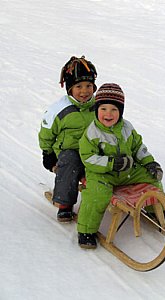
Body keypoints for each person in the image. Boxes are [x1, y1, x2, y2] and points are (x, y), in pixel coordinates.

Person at [77, 83, 164, 249]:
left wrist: (149, 162)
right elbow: (88, 158)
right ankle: (86, 230)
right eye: (103, 109)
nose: (108, 114)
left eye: (114, 110)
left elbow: (138, 147)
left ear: (121, 111)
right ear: (96, 110)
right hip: (102, 174)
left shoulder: (127, 128)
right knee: (97, 195)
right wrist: (110, 164)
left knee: (152, 178)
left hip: (127, 171)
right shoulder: (92, 133)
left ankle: (156, 211)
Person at [38, 56, 97, 222]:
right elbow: (46, 132)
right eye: (79, 86)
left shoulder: (99, 106)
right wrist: (47, 153)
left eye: (88, 86)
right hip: (70, 150)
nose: (84, 91)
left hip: (92, 149)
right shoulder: (60, 109)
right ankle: (65, 204)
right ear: (70, 88)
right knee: (69, 164)